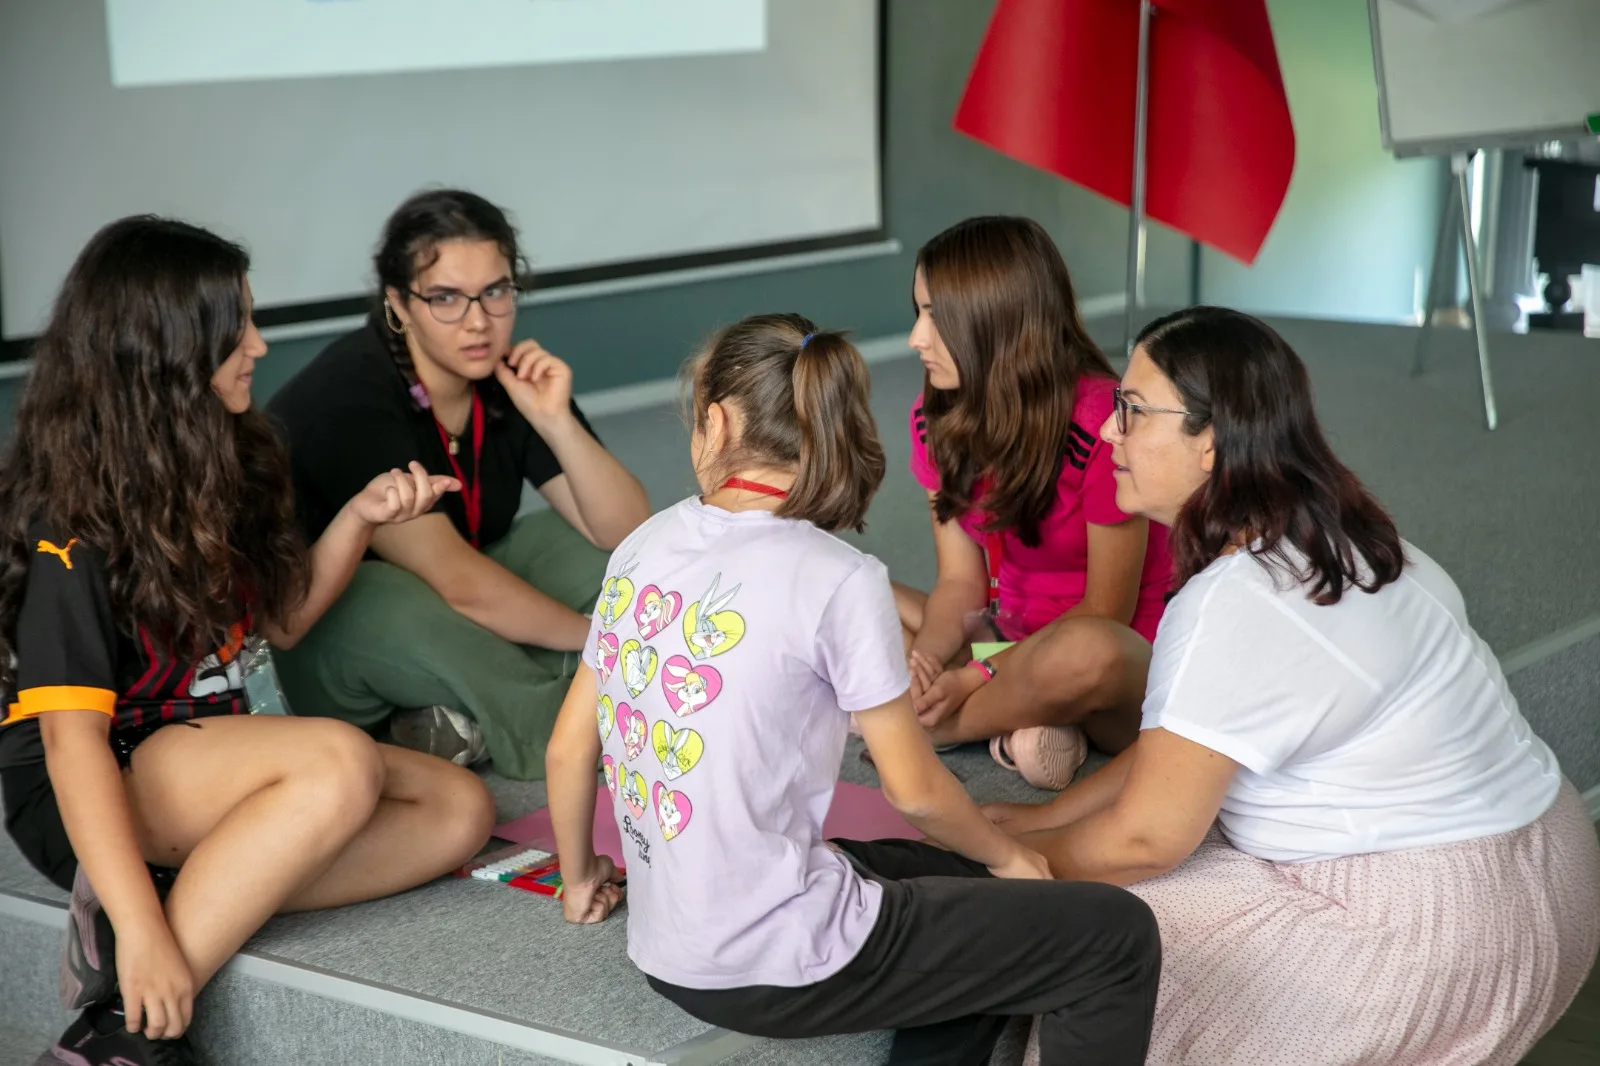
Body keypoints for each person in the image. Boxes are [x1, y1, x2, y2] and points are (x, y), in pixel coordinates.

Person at [986, 306, 1600, 1066]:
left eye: (1133, 410)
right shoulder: (1350, 537)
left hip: (1436, 933)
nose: (1110, 431)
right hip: (1553, 868)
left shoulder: (1230, 603)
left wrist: (1007, 863)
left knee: (1100, 932)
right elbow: (1184, 747)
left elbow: (1147, 836)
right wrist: (1038, 821)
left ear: (1212, 441)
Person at [544, 314, 1161, 1066]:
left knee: (965, 884)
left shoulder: (641, 545)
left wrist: (580, 878)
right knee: (1116, 935)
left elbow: (568, 750)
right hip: (775, 959)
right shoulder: (838, 576)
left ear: (717, 421)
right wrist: (1011, 856)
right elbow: (916, 791)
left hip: (667, 947)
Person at [0, 217, 497, 1066]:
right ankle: (124, 1027)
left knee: (458, 810)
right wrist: (140, 927)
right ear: (166, 348)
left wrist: (359, 518)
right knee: (337, 760)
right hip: (91, 775)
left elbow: (282, 622)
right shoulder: (70, 515)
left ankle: (182, 904)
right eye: (238, 328)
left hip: (204, 752)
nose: (260, 346)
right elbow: (68, 740)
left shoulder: (225, 450)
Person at [268, 189, 651, 779]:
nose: (478, 322)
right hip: (345, 632)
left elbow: (627, 530)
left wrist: (555, 421)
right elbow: (458, 583)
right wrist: (600, 643)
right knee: (384, 593)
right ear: (399, 303)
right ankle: (575, 713)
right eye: (445, 298)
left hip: (461, 594)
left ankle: (455, 719)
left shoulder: (506, 375)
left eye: (495, 292)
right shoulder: (349, 398)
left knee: (601, 554)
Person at [894, 217, 1171, 790]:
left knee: (1087, 654)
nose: (916, 338)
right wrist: (927, 663)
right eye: (918, 312)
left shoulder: (1102, 426)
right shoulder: (933, 418)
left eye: (937, 317)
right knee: (854, 588)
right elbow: (959, 583)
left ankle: (931, 727)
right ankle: (1012, 719)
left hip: (1102, 648)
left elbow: (1107, 612)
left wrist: (974, 674)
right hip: (1003, 629)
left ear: (998, 321)